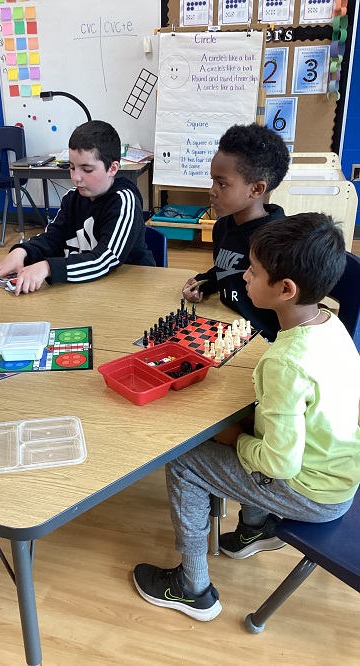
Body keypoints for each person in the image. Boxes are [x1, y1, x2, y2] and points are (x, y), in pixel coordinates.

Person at [134, 213, 360, 622]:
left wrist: (235, 440)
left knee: (184, 459)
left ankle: (193, 588)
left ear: (285, 289)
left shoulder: (286, 362)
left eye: (253, 273)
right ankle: (254, 529)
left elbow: (280, 462)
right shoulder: (333, 325)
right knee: (259, 420)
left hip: (314, 492)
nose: (243, 279)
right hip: (339, 469)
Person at [0, 120, 155, 294]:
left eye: (87, 169)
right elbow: (54, 237)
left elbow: (105, 259)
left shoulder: (124, 201)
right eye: (72, 167)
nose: (76, 177)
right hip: (87, 289)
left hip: (129, 289)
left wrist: (49, 267)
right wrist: (23, 251)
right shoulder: (72, 198)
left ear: (112, 168)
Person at [182, 123, 290, 341]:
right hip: (227, 324)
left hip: (263, 339)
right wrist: (202, 282)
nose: (211, 191)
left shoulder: (279, 241)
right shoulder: (223, 226)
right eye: (212, 180)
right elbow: (227, 270)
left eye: (222, 184)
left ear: (257, 189)